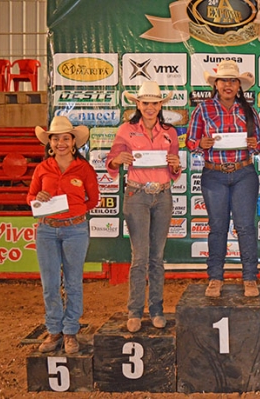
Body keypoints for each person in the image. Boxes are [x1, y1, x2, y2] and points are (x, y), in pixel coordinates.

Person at [186, 60, 260, 298]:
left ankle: (250, 278)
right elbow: (190, 142)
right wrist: (200, 143)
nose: (228, 85)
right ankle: (215, 277)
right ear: (216, 84)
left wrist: (255, 144)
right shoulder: (203, 109)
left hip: (244, 172)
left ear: (239, 85)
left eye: (233, 81)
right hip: (214, 174)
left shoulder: (249, 110)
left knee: (245, 228)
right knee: (217, 228)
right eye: (224, 81)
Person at [106, 81, 181, 333]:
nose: (150, 107)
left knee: (157, 257)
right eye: (145, 102)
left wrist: (175, 165)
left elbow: (175, 168)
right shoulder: (126, 130)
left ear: (161, 104)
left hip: (162, 195)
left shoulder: (170, 132)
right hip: (137, 194)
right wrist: (118, 159)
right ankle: (135, 311)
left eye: (155, 103)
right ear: (137, 104)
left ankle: (157, 309)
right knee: (140, 257)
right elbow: (112, 160)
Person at [27, 116, 99, 354]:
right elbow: (30, 197)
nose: (60, 143)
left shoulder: (84, 168)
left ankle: (70, 331)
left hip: (75, 230)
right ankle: (54, 329)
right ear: (49, 142)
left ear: (73, 142)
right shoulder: (42, 168)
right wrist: (37, 200)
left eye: (65, 139)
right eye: (56, 139)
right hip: (47, 230)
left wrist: (75, 213)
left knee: (73, 282)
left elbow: (94, 199)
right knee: (49, 283)